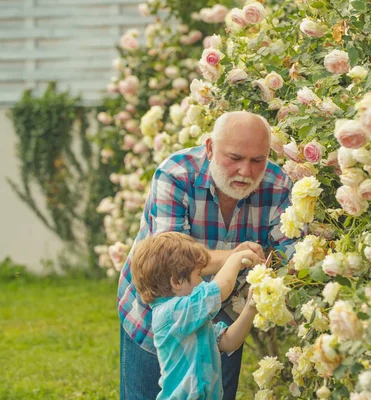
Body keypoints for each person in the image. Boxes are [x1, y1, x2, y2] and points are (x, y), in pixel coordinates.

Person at [118, 110, 296, 399]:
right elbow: (169, 266)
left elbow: (287, 254)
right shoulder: (176, 175)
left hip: (221, 316)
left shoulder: (277, 185)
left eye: (257, 160)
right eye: (235, 158)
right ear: (210, 147)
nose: (246, 172)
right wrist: (237, 256)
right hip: (153, 316)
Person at [130, 231, 261, 400]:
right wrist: (235, 259)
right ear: (176, 282)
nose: (203, 282)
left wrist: (250, 308)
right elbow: (219, 290)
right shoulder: (170, 314)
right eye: (199, 275)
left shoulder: (189, 317)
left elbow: (228, 341)